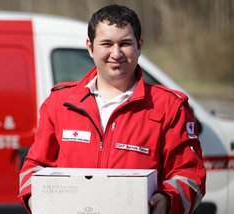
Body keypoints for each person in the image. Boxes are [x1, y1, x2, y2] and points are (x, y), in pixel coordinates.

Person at [19, 4, 206, 214]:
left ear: (140, 46)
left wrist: (168, 200)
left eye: (125, 43)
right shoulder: (59, 103)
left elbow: (190, 174)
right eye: (106, 43)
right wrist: (34, 199)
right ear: (90, 47)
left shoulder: (170, 107)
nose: (116, 53)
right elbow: (34, 166)